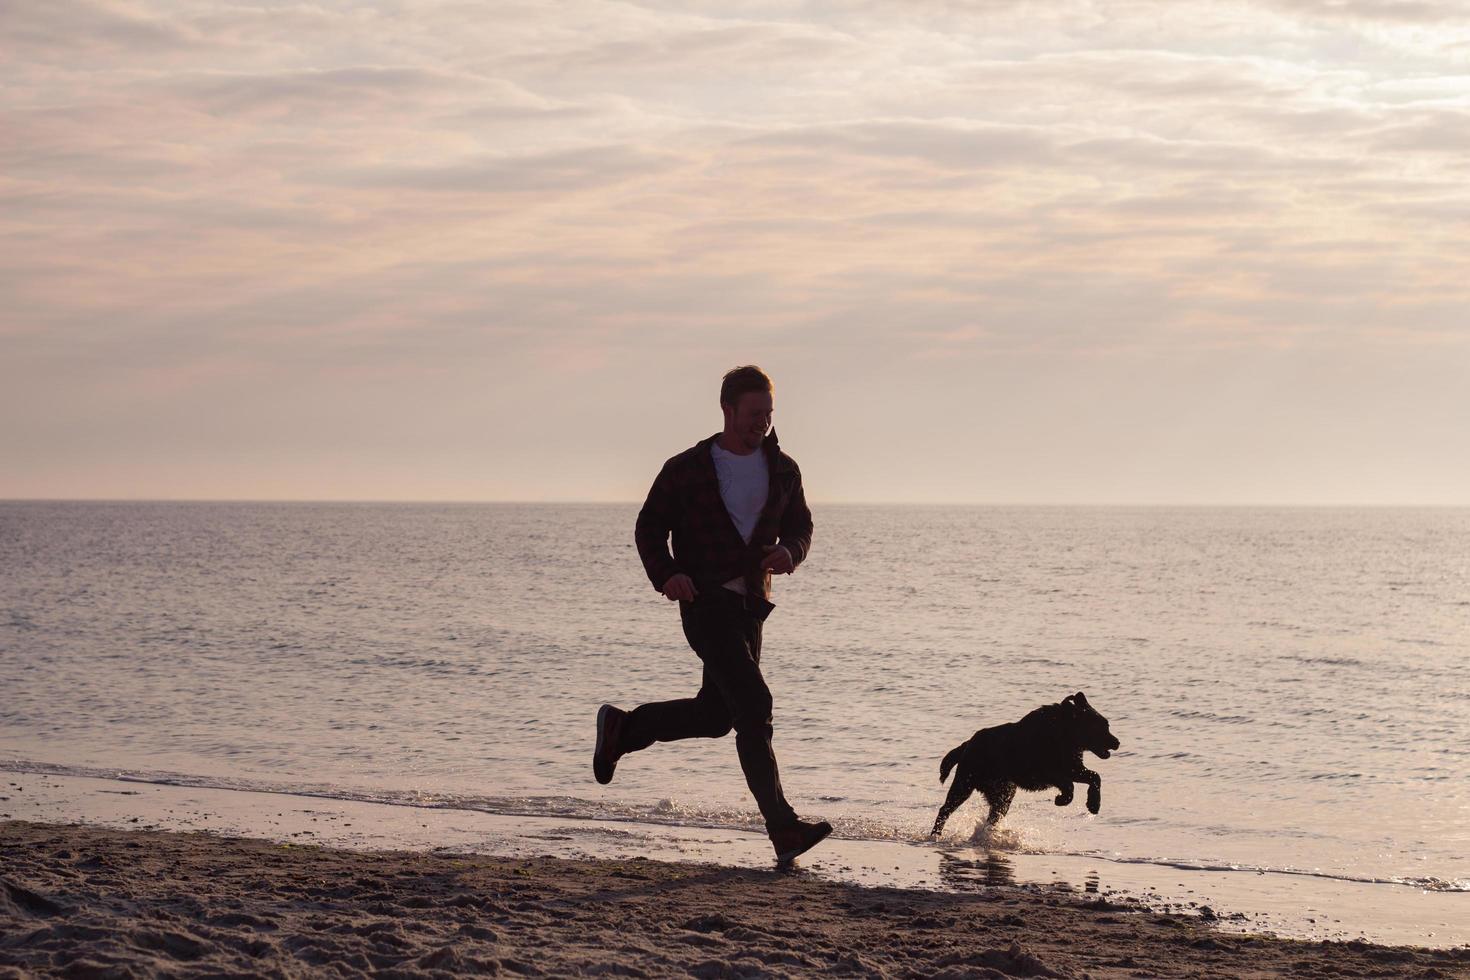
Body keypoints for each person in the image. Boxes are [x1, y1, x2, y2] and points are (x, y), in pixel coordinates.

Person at [592, 365, 832, 863]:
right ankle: (783, 829)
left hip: (751, 606)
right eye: (752, 414)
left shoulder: (783, 468)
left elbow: (802, 525)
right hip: (705, 604)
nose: (761, 424)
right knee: (755, 704)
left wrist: (792, 550)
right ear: (727, 410)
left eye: (768, 414)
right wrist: (668, 575)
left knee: (717, 715)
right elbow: (648, 528)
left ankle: (623, 729)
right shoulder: (688, 468)